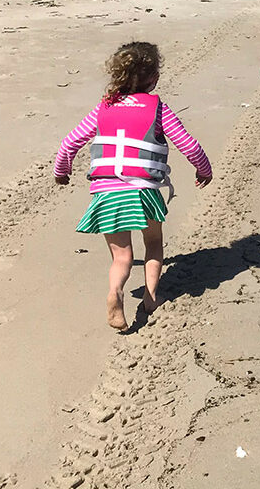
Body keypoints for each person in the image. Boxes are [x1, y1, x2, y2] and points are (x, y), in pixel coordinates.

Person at [54, 42, 213, 330]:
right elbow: (188, 144)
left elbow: (69, 143)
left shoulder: (103, 108)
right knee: (153, 243)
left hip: (106, 194)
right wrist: (204, 169)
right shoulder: (157, 109)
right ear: (154, 77)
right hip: (144, 192)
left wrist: (61, 172)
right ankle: (151, 297)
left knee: (122, 256)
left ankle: (115, 292)